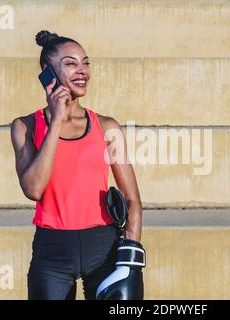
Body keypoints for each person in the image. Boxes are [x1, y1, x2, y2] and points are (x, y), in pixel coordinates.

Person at [10, 30, 142, 300]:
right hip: (52, 254)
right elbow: (33, 188)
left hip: (104, 249)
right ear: (48, 73)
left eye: (85, 62)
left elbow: (132, 200)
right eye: (71, 64)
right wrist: (56, 120)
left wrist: (131, 257)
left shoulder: (107, 126)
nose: (82, 71)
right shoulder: (26, 126)